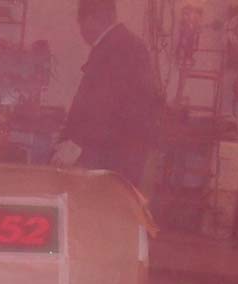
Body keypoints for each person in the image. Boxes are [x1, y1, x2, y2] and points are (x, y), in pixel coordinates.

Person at [52, 0, 163, 188]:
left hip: (109, 156)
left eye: (81, 23)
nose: (82, 31)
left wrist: (74, 144)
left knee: (98, 201)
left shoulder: (113, 48)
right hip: (123, 154)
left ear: (90, 19)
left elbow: (101, 106)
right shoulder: (128, 43)